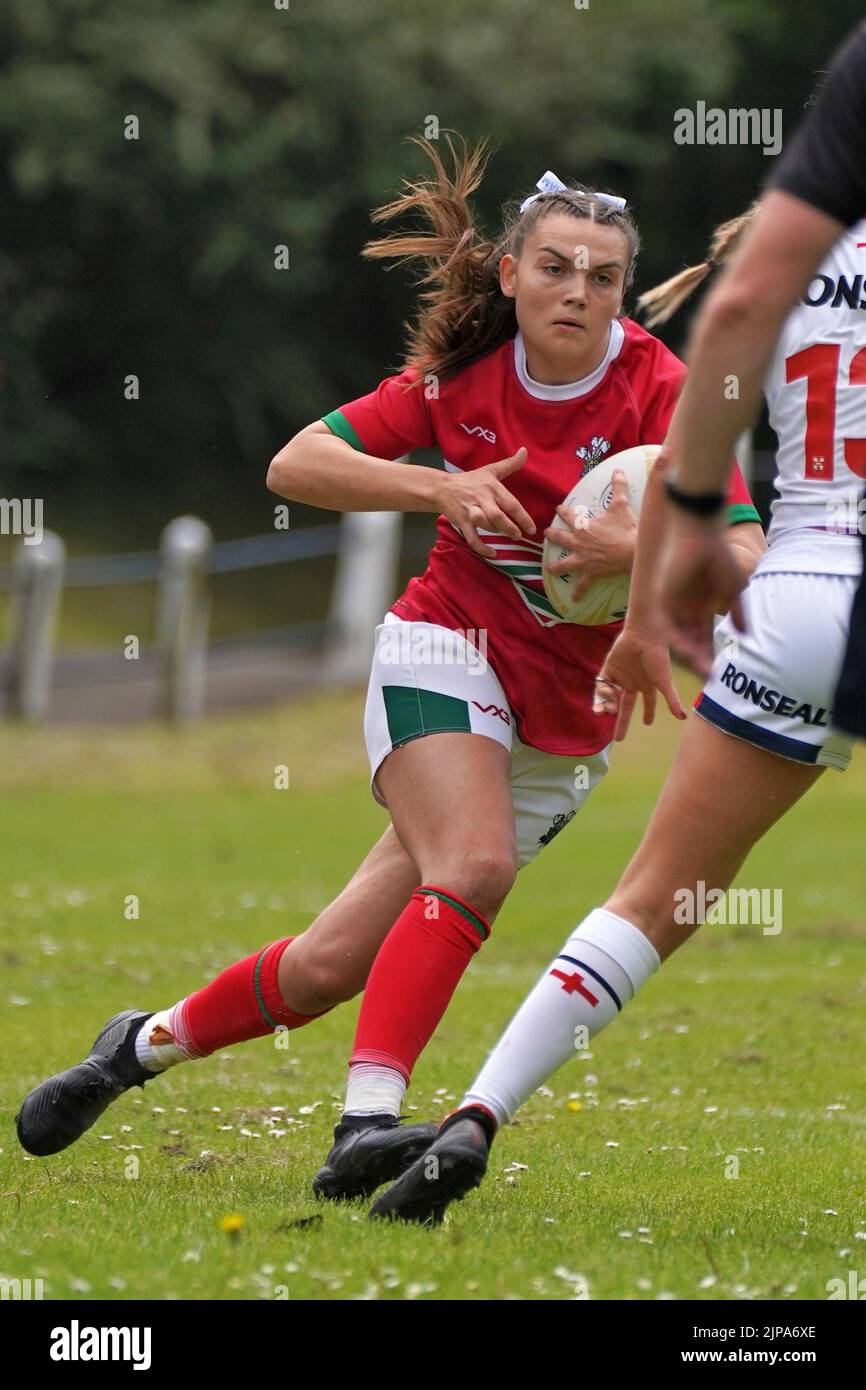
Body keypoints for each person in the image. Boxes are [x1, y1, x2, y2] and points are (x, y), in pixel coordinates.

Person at [15, 139, 762, 1205]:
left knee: (328, 966)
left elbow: (743, 551)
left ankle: (132, 1050)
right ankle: (365, 1121)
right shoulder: (459, 378)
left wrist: (636, 554)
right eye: (553, 266)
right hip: (442, 646)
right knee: (473, 866)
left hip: (564, 717)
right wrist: (439, 492)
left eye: (601, 276)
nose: (576, 292)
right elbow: (294, 465)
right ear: (509, 273)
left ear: (621, 291)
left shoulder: (663, 394)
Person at [369, 200, 864, 1225]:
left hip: (799, 594)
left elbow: (685, 476)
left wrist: (641, 620)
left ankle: (476, 1111)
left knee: (651, 897)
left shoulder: (784, 254)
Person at [648, 19, 866, 745]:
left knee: (665, 868)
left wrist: (694, 517)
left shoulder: (763, 260)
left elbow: (676, 451)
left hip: (798, 588)